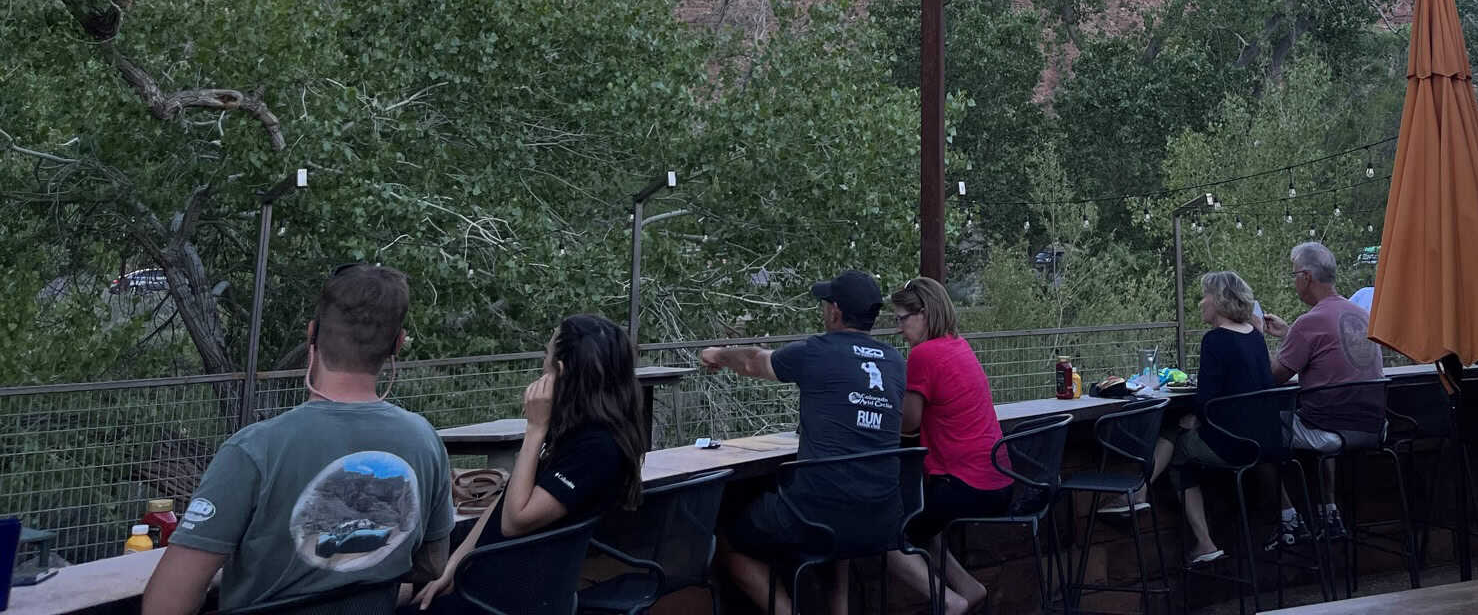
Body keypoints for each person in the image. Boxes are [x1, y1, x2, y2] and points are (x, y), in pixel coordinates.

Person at [143, 264, 453, 615]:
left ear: (311, 335)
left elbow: (167, 601)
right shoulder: (424, 440)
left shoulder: (254, 450)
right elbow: (432, 563)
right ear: (397, 344)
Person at [700, 271, 906, 615]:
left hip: (818, 515)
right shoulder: (896, 362)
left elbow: (754, 361)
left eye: (826, 304)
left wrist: (718, 354)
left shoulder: (817, 351)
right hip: (882, 518)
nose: (824, 310)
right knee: (836, 515)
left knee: (727, 538)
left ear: (835, 312)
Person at [414, 314, 647, 611]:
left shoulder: (597, 449)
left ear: (560, 371)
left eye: (546, 354)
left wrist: (534, 430)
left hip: (500, 600)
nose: (542, 363)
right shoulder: (580, 432)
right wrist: (453, 565)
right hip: (486, 582)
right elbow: (503, 504)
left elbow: (514, 521)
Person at [1122, 271, 1268, 566]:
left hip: (1232, 445)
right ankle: (1139, 496)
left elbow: (1208, 399)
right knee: (1181, 430)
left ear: (1219, 301)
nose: (1201, 303)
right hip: (1263, 440)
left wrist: (1197, 419)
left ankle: (1196, 536)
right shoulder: (1256, 337)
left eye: (1205, 296)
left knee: (1177, 444)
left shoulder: (1215, 340)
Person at [885, 277, 1009, 615]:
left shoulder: (924, 355)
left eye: (901, 319)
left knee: (886, 536)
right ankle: (969, 588)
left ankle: (950, 603)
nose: (898, 329)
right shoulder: (959, 345)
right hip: (998, 483)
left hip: (963, 486)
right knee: (928, 524)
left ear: (924, 314)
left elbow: (907, 424)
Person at [1262, 242, 1385, 539]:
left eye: (1294, 275)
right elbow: (1329, 348)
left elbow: (1273, 377)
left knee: (1255, 430)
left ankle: (1288, 519)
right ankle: (1329, 512)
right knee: (1320, 414)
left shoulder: (1311, 322)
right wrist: (1290, 333)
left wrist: (1253, 336)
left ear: (1305, 277)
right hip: (1373, 427)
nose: (1294, 282)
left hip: (1330, 430)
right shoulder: (1361, 315)